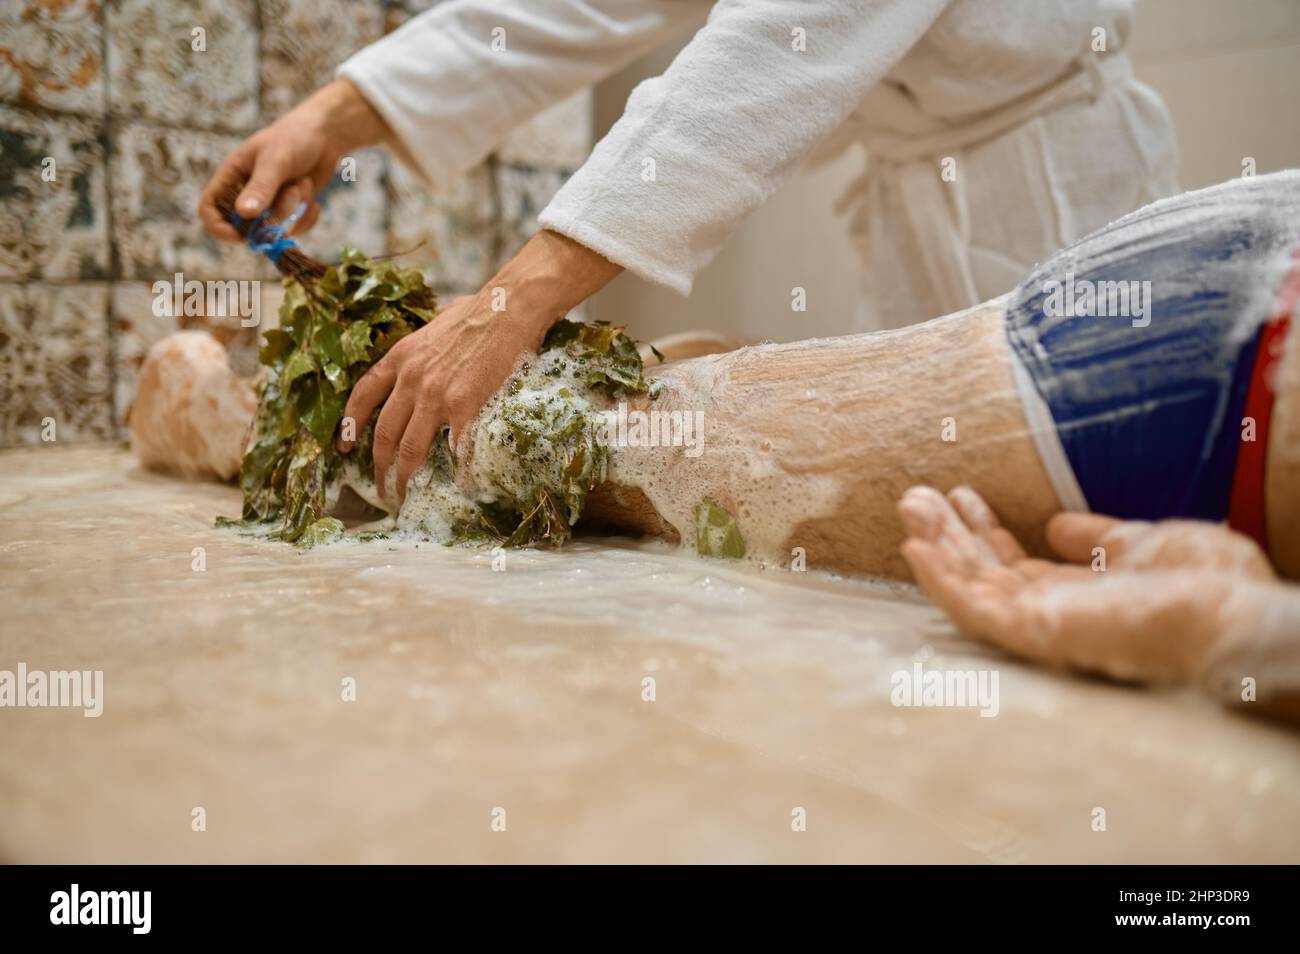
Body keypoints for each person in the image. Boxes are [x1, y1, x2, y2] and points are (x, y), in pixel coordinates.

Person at [151, 171, 1298, 710]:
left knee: (636, 420)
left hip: (1202, 356)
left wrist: (1242, 629)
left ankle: (231, 412)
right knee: (632, 420)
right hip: (1206, 351)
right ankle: (243, 411)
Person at [198, 0, 1178, 505]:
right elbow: (573, 7)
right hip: (917, 179)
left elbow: (769, 48)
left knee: (1080, 479)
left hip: (1051, 178)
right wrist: (336, 114)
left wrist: (512, 300)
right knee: (945, 492)